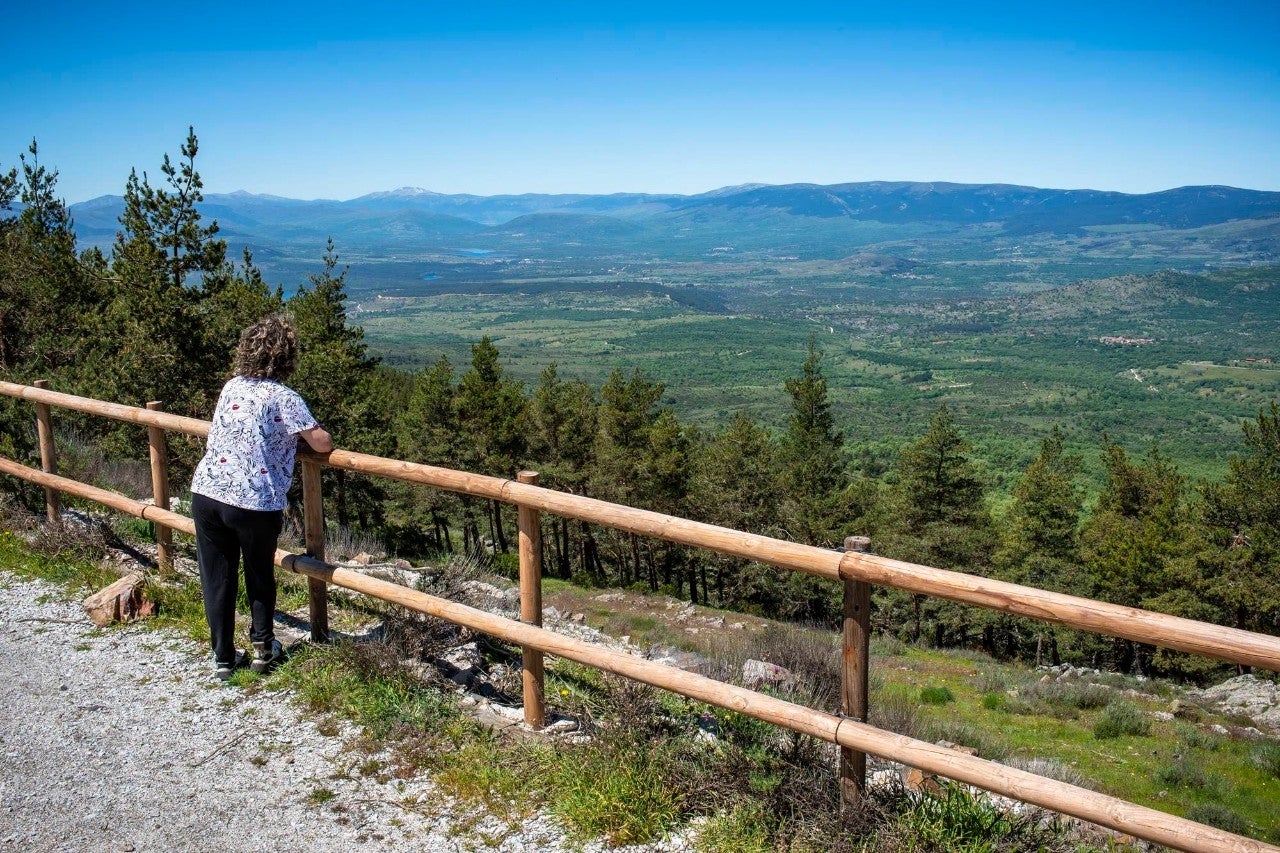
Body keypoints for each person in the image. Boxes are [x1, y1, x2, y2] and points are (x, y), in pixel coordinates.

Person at [190, 316, 333, 680]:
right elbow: (322, 443)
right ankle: (263, 649)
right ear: (286, 356)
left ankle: (223, 657)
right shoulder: (284, 396)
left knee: (217, 576)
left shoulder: (231, 387)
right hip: (254, 501)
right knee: (259, 574)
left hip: (207, 491)